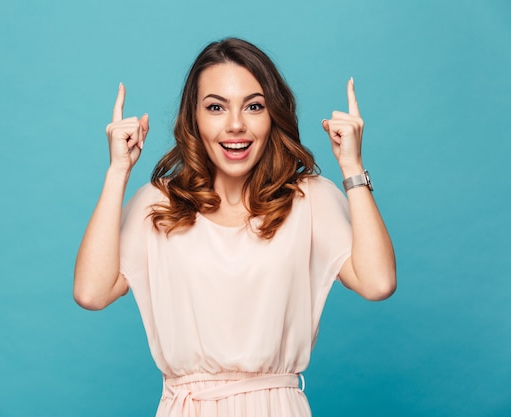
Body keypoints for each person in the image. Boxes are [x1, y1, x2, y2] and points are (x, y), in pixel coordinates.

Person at [74, 37, 396, 417]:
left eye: (254, 106)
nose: (236, 125)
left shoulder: (309, 199)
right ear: (193, 117)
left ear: (272, 113)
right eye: (215, 107)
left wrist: (352, 167)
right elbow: (92, 293)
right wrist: (118, 172)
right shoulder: (159, 203)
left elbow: (378, 283)